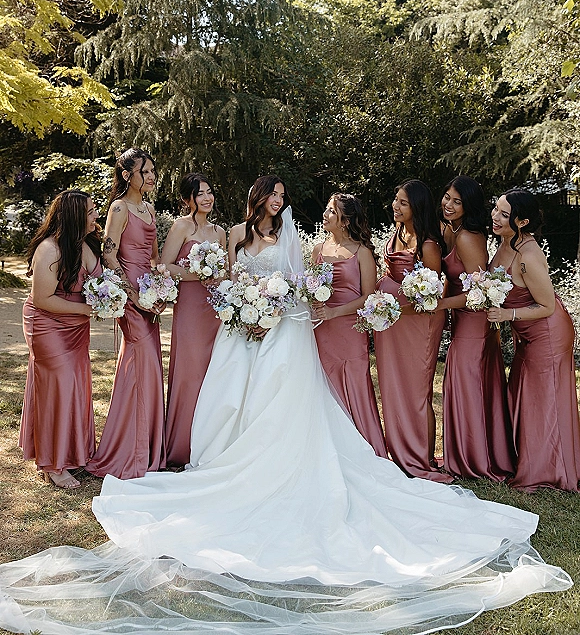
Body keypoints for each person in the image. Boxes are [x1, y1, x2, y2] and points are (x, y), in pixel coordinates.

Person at [0, 177, 572, 635]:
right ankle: (218, 454)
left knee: (289, 398)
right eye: (273, 196)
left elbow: (304, 284)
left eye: (284, 198)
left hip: (285, 331)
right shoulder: (238, 237)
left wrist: (280, 302)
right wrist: (243, 301)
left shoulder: (304, 242)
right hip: (244, 329)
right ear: (259, 201)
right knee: (233, 399)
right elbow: (230, 277)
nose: (282, 204)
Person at [488, 189, 580, 492]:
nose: (495, 216)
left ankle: (548, 470)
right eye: (496, 209)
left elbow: (547, 306)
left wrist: (507, 315)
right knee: (524, 394)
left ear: (522, 221)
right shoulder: (504, 242)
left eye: (504, 214)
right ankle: (528, 457)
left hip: (548, 334)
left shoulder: (527, 256)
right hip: (528, 334)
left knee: (543, 401)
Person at [86, 148, 166, 479]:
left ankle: (147, 450)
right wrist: (133, 296)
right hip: (130, 299)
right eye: (144, 171)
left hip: (148, 295)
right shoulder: (119, 208)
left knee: (151, 364)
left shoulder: (149, 208)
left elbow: (154, 256)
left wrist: (161, 292)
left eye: (152, 171)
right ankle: (129, 453)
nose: (150, 176)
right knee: (140, 360)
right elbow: (109, 256)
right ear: (127, 175)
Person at [19, 190, 100, 489]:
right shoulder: (49, 249)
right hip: (47, 324)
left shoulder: (87, 244)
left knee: (77, 386)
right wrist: (88, 308)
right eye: (91, 211)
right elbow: (42, 298)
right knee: (58, 386)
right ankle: (52, 464)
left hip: (76, 326)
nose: (95, 216)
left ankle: (75, 452)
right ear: (75, 215)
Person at [438, 176, 515, 480]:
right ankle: (467, 452)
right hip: (461, 319)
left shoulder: (468, 238)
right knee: (462, 384)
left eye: (457, 201)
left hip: (474, 322)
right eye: (447, 197)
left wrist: (439, 305)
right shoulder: (449, 229)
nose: (449, 204)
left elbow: (480, 294)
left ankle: (475, 460)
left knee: (468, 386)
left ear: (468, 206)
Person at [374, 179, 450, 481]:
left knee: (418, 389)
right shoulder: (396, 232)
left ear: (416, 207)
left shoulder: (429, 245)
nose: (395, 205)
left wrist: (394, 308)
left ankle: (422, 457)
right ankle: (399, 451)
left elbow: (431, 297)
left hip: (418, 322)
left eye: (403, 202)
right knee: (393, 386)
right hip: (389, 321)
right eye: (396, 199)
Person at [311, 193, 387, 456]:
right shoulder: (318, 251)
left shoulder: (362, 252)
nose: (325, 214)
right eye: (327, 209)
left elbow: (368, 297)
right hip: (322, 330)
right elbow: (310, 288)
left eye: (331, 211)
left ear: (345, 221)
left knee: (354, 384)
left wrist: (334, 313)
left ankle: (364, 450)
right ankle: (328, 451)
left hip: (350, 330)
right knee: (324, 383)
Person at [161, 173, 226, 467]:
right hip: (189, 306)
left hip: (213, 307)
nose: (207, 198)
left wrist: (216, 276)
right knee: (190, 370)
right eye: (200, 194)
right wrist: (197, 273)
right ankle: (180, 446)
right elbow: (165, 266)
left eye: (209, 192)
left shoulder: (220, 231)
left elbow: (225, 270)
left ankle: (209, 445)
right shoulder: (181, 226)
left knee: (214, 371)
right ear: (188, 199)